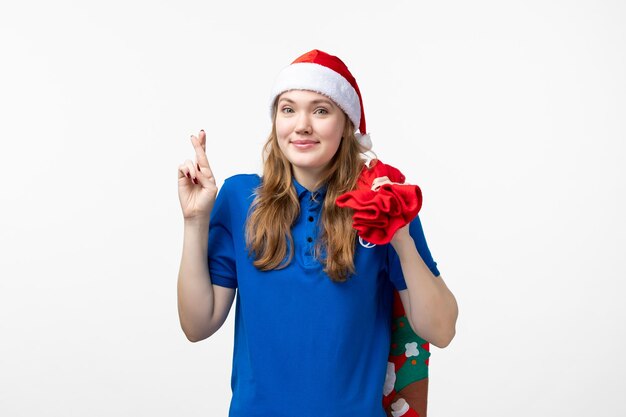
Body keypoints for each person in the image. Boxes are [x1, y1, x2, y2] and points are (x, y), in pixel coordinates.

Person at [177, 49, 458, 417]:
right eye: (288, 109)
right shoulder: (238, 199)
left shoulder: (381, 203)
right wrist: (195, 222)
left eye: (321, 111)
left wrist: (400, 234)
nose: (302, 125)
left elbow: (441, 331)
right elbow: (197, 325)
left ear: (346, 124)